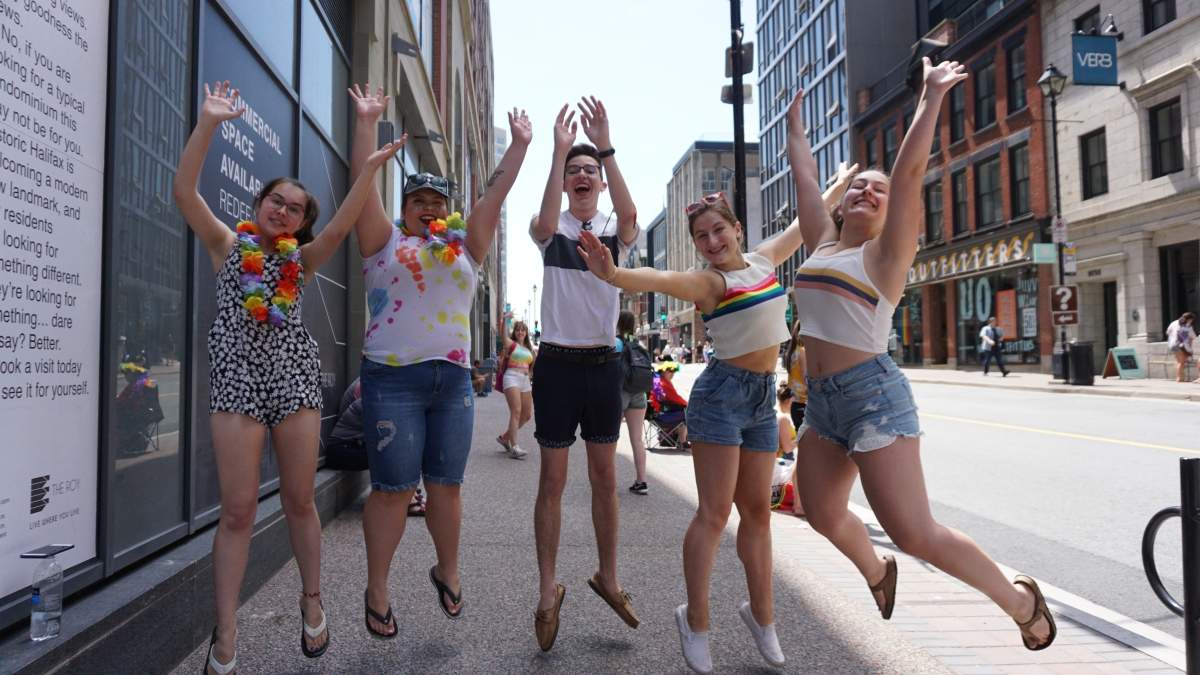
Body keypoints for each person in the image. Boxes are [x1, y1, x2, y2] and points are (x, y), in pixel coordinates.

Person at [787, 59, 1055, 651]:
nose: (869, 190)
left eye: (878, 191)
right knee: (820, 510)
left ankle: (1020, 602)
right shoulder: (823, 245)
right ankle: (878, 573)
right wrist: (795, 128)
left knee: (914, 532)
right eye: (860, 184)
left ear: (889, 215)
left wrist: (931, 98)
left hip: (872, 398)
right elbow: (807, 179)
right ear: (844, 202)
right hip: (824, 403)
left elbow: (910, 174)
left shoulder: (884, 259)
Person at [577, 166, 853, 671]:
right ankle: (697, 619)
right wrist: (614, 275)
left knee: (757, 513)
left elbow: (799, 225)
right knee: (713, 513)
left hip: (760, 398)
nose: (711, 241)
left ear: (737, 229)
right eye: (701, 236)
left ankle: (763, 617)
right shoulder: (709, 282)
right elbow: (660, 278)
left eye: (718, 230)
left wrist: (833, 187)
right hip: (721, 397)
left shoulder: (766, 260)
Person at [174, 80, 403, 674]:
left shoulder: (301, 262)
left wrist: (372, 161)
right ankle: (226, 631)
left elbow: (345, 223)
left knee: (301, 500)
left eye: (294, 207)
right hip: (237, 381)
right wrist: (208, 123)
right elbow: (184, 192)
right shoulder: (229, 246)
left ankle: (312, 598)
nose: (282, 210)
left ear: (301, 224)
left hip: (294, 378)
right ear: (259, 206)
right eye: (275, 200)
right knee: (239, 510)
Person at [348, 83, 531, 636]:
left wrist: (518, 147)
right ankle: (377, 588)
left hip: (451, 382)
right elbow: (363, 191)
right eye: (418, 201)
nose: (429, 208)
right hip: (391, 379)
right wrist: (366, 125)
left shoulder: (466, 246)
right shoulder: (382, 241)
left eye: (438, 203)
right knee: (393, 489)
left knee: (447, 484)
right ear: (404, 210)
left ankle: (447, 569)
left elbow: (493, 197)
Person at [529, 97, 641, 652]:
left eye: (588, 171)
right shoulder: (551, 230)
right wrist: (556, 152)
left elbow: (630, 214)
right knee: (552, 481)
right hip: (555, 362)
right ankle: (548, 589)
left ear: (599, 181)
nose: (581, 176)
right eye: (575, 171)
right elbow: (545, 222)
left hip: (602, 362)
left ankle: (608, 577)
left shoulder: (613, 231)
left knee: (603, 478)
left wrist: (606, 147)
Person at [325, 378, 425, 516]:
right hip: (342, 449)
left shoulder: (383, 390)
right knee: (395, 449)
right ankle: (403, 496)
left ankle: (405, 491)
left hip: (356, 444)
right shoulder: (374, 394)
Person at [615, 311, 650, 494]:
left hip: (621, 392)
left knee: (610, 436)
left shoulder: (617, 343)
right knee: (637, 439)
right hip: (639, 392)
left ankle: (607, 479)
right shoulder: (638, 343)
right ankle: (641, 481)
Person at [496, 320, 536, 459]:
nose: (520, 332)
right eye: (518, 330)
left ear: (526, 332)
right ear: (515, 332)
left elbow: (532, 368)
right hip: (512, 377)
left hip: (525, 380)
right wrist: (504, 320)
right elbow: (502, 334)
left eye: (523, 330)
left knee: (527, 415)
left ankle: (504, 438)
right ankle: (514, 447)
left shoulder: (529, 350)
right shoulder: (511, 345)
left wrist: (530, 375)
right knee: (516, 411)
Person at [649, 361, 689, 447]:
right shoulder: (664, 383)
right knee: (689, 414)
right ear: (664, 372)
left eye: (673, 372)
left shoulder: (657, 380)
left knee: (683, 411)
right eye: (671, 372)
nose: (673, 374)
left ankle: (679, 440)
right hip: (663, 416)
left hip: (655, 414)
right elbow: (677, 399)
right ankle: (682, 442)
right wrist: (688, 404)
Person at [1166, 312, 1195, 383]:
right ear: (1189, 319)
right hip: (1182, 345)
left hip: (1172, 344)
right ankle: (1179, 378)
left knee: (1178, 361)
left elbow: (1167, 332)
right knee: (1181, 362)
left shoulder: (1173, 323)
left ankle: (1181, 377)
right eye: (1191, 320)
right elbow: (1193, 336)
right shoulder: (1188, 326)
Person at [776, 386, 796, 459]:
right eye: (794, 402)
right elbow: (787, 449)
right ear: (787, 401)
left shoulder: (776, 415)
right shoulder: (783, 419)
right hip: (782, 463)